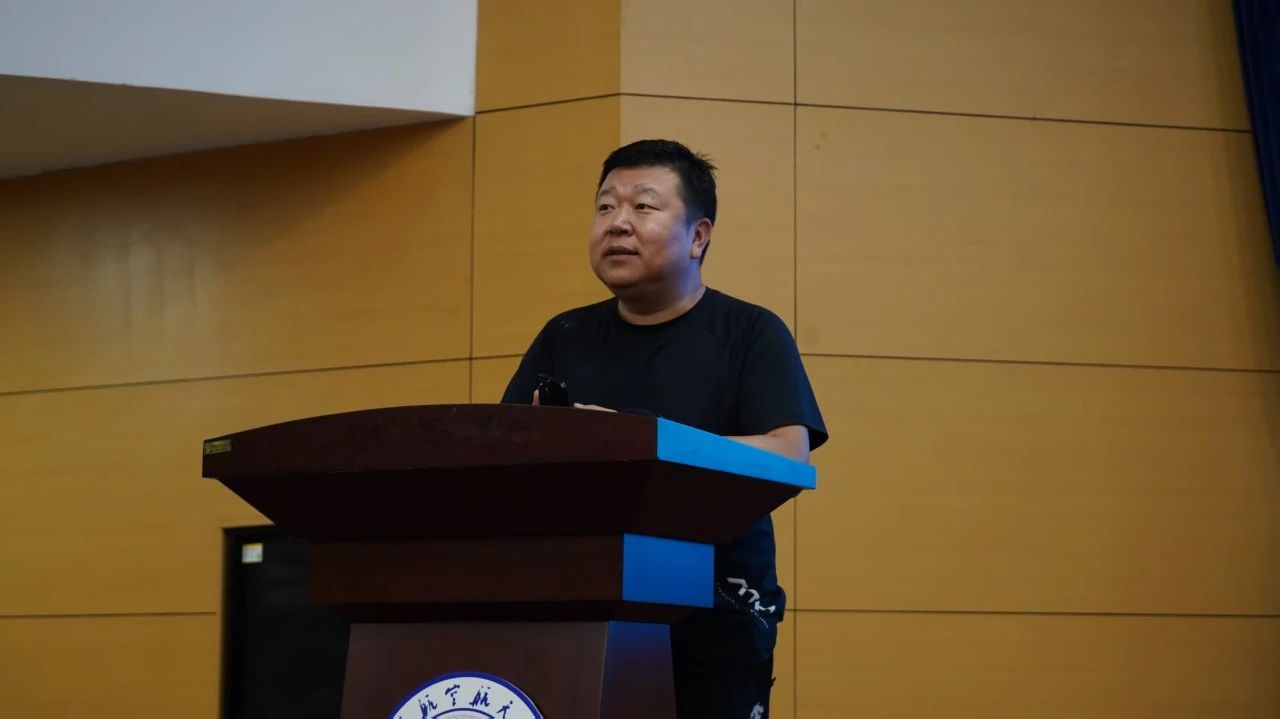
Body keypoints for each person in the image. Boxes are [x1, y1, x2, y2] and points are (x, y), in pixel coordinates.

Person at [502, 139, 827, 719]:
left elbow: (787, 454)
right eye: (605, 206)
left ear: (698, 237)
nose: (617, 223)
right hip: (577, 605)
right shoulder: (564, 335)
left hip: (715, 612)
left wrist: (634, 441)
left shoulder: (750, 332)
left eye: (643, 206)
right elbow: (505, 451)